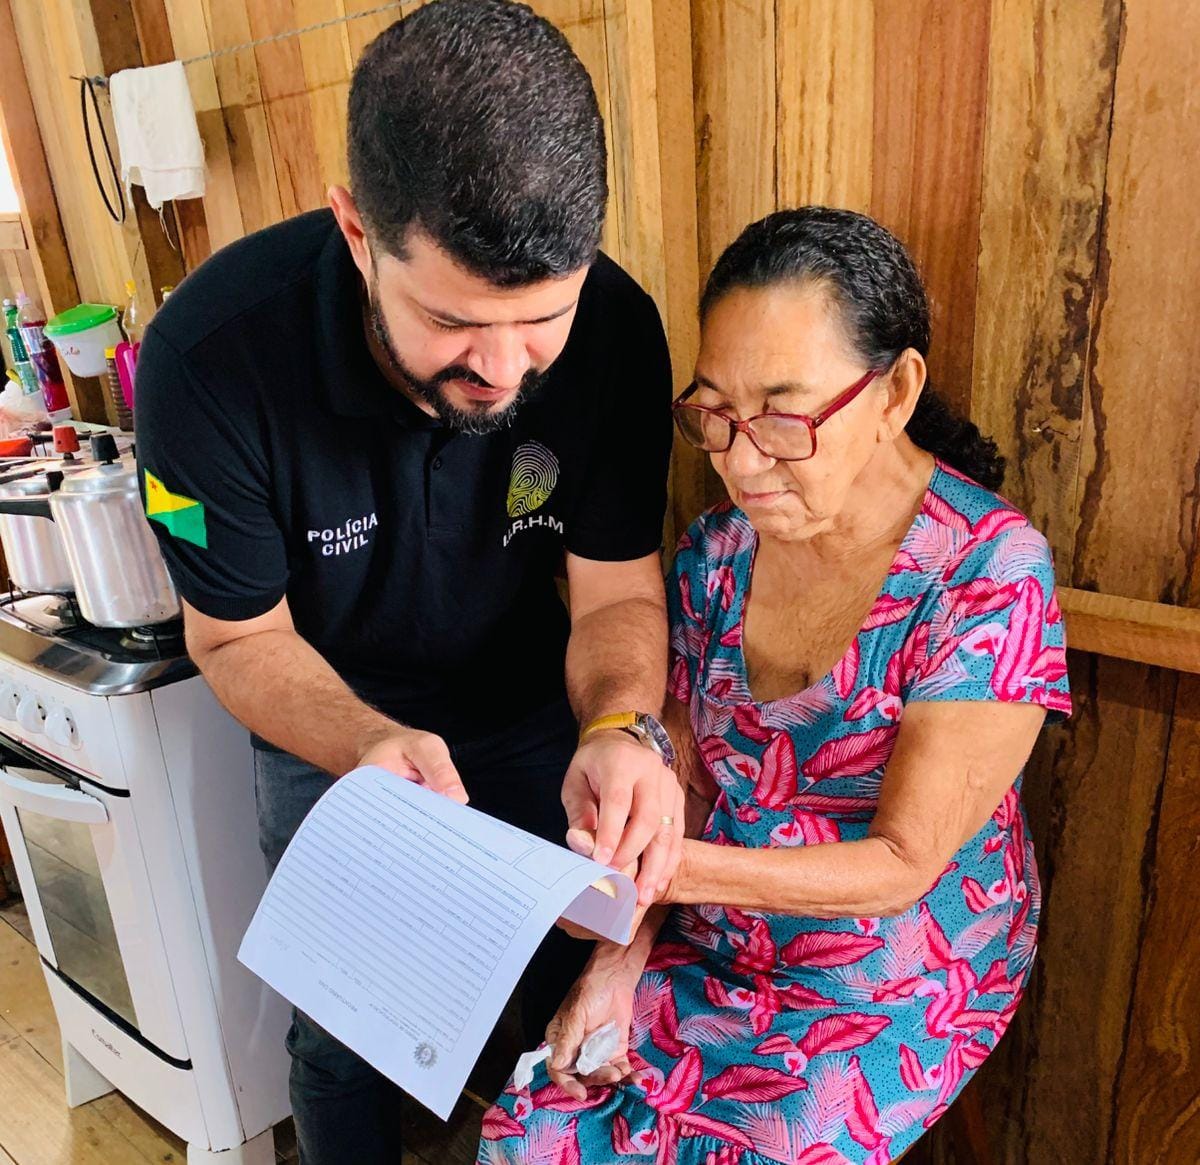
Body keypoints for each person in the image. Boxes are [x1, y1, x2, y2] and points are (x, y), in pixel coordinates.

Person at [134, 3, 685, 1162]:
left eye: (542, 320)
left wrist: (621, 725)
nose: (502, 370)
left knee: (560, 976)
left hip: (534, 703)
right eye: (452, 321)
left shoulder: (619, 333)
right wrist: (367, 742)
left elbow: (618, 594)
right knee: (348, 1026)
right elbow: (235, 639)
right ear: (356, 230)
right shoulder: (210, 362)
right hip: (330, 718)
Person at [478, 207, 1072, 1164]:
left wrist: (664, 871)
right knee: (537, 1125)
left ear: (895, 392)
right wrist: (615, 963)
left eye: (786, 420)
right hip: (719, 934)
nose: (742, 462)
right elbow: (688, 780)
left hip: (894, 966)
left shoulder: (987, 573)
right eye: (716, 413)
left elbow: (902, 864)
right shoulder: (719, 552)